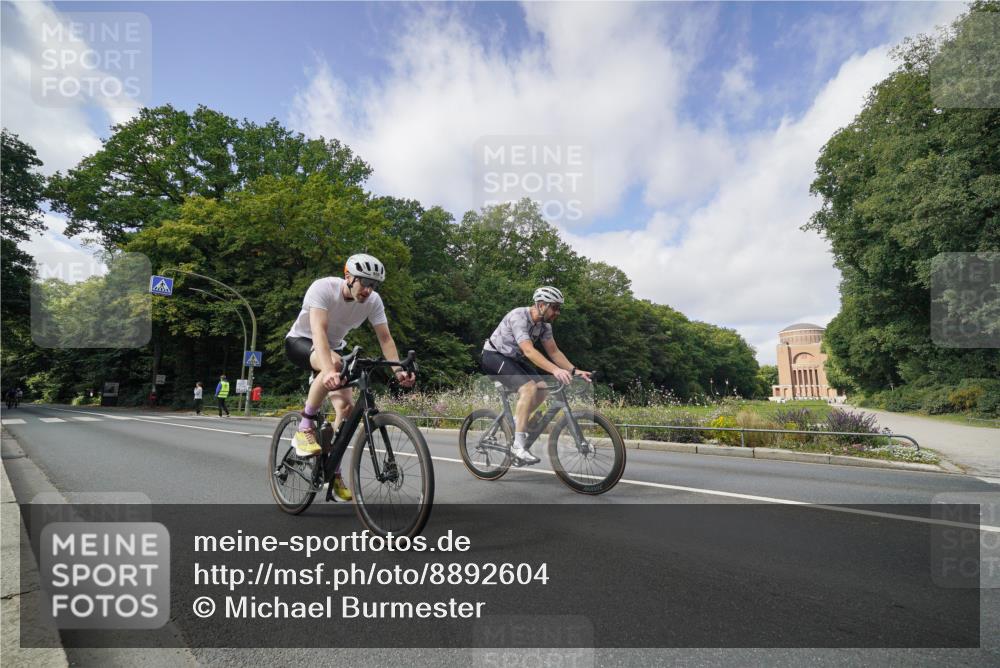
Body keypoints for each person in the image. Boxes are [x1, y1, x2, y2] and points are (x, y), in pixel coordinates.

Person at [284, 253, 415, 502]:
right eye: (364, 282)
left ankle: (332, 469)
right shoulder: (323, 288)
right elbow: (319, 333)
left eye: (373, 285)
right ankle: (304, 426)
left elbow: (385, 339)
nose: (368, 290)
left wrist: (398, 371)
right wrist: (330, 370)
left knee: (345, 407)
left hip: (333, 348)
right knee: (333, 362)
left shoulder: (373, 301)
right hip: (302, 342)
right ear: (348, 277)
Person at [481, 286, 592, 465]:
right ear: (541, 305)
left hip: (514, 358)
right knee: (528, 388)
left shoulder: (544, 326)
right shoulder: (519, 316)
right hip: (494, 356)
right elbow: (529, 351)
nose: (558, 312)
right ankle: (517, 446)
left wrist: (574, 370)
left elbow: (554, 352)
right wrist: (555, 370)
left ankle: (518, 421)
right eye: (554, 307)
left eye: (559, 308)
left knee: (542, 389)